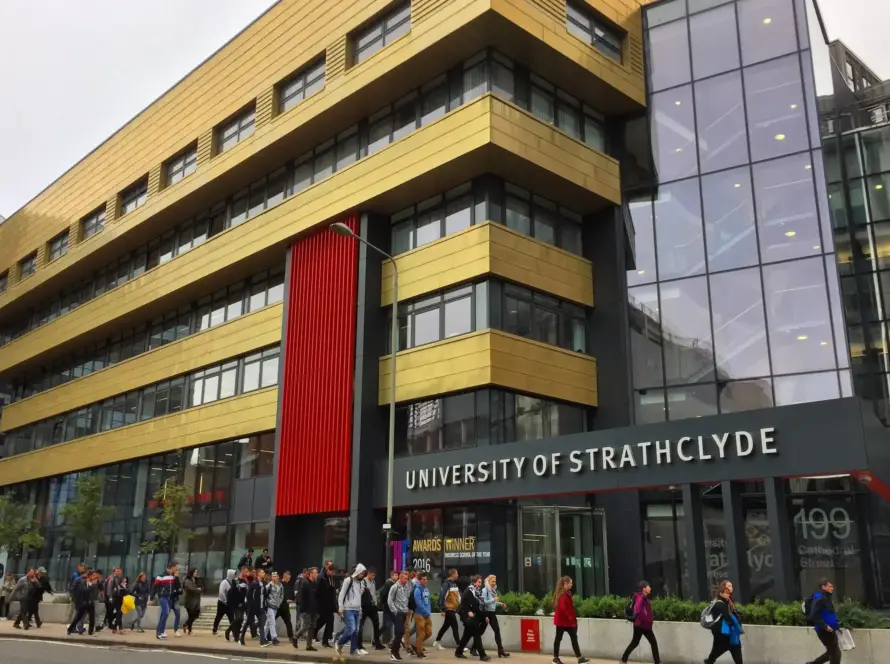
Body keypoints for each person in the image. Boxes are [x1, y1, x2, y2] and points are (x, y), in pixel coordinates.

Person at [703, 580, 743, 664]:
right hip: (723, 635)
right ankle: (709, 661)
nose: (731, 588)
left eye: (731, 586)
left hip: (730, 635)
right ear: (723, 590)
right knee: (715, 654)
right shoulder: (719, 604)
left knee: (736, 657)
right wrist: (737, 619)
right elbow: (728, 618)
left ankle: (709, 661)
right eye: (729, 586)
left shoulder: (728, 602)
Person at [552, 576, 590, 664]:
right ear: (566, 583)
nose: (571, 584)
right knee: (562, 638)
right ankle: (556, 658)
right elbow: (562, 609)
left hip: (565, 621)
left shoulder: (565, 593)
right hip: (564, 621)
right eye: (570, 583)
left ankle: (579, 658)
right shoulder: (563, 594)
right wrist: (570, 618)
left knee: (568, 638)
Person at [621, 581, 660, 664]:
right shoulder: (640, 598)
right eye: (648, 587)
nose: (650, 588)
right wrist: (645, 618)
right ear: (644, 589)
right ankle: (657, 662)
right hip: (642, 625)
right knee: (652, 643)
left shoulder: (644, 597)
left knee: (635, 642)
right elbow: (637, 610)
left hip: (642, 625)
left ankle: (624, 659)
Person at [455, 575, 490, 662]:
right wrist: (468, 611)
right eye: (478, 582)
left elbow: (480, 606)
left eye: (481, 582)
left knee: (467, 635)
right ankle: (482, 655)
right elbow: (463, 603)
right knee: (476, 633)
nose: (480, 584)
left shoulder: (478, 592)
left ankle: (458, 652)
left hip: (472, 616)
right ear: (474, 582)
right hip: (466, 615)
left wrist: (485, 616)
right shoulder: (469, 591)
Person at [807, 579, 841, 664]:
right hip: (824, 630)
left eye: (832, 586)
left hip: (830, 629)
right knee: (835, 653)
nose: (832, 588)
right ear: (823, 586)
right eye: (830, 586)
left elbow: (827, 613)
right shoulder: (820, 598)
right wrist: (825, 626)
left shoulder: (826, 597)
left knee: (832, 652)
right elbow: (814, 615)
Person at [337, 563, 367, 656]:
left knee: (356, 631)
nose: (362, 576)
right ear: (357, 572)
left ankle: (353, 651)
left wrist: (360, 609)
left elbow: (359, 597)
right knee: (351, 629)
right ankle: (339, 642)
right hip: (348, 609)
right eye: (361, 573)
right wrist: (340, 607)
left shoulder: (360, 582)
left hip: (357, 609)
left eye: (363, 574)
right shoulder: (348, 580)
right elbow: (341, 594)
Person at [480, 574, 509, 658]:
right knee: (481, 631)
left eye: (495, 581)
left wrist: (500, 604)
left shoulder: (492, 590)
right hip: (486, 613)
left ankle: (501, 650)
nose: (494, 583)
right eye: (492, 581)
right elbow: (484, 602)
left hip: (491, 613)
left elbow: (493, 603)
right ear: (488, 581)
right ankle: (474, 648)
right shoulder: (485, 590)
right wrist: (494, 599)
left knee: (497, 630)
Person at [433, 569, 461, 650]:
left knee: (445, 626)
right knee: (455, 626)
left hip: (453, 608)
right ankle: (459, 645)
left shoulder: (454, 584)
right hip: (449, 608)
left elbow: (458, 596)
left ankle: (437, 642)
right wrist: (442, 609)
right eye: (457, 573)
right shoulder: (446, 584)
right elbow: (442, 596)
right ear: (452, 574)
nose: (458, 575)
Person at [359, 567, 385, 652]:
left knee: (376, 624)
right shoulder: (363, 581)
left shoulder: (373, 581)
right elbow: (360, 594)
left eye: (375, 575)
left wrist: (376, 603)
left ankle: (377, 643)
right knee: (360, 625)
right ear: (369, 573)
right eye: (372, 575)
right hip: (364, 606)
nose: (374, 577)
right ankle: (359, 644)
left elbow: (374, 594)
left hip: (372, 606)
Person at [241, 568, 269, 647]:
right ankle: (241, 638)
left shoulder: (263, 583)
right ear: (258, 574)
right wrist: (252, 605)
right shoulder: (254, 583)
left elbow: (264, 595)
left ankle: (262, 641)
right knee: (247, 623)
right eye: (262, 572)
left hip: (261, 607)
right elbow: (249, 596)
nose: (264, 573)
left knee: (262, 622)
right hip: (253, 608)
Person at [388, 571, 412, 662]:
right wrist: (395, 611)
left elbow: (406, 598)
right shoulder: (395, 587)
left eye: (407, 578)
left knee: (401, 633)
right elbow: (390, 600)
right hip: (398, 613)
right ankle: (394, 653)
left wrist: (407, 609)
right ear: (400, 578)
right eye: (404, 578)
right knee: (399, 632)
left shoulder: (406, 587)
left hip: (404, 612)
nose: (406, 580)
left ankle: (395, 652)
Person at [67, 570, 99, 636]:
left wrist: (94, 586)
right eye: (93, 575)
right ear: (89, 576)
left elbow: (95, 593)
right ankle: (70, 629)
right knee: (78, 617)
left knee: (92, 618)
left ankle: (90, 631)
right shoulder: (82, 582)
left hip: (90, 603)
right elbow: (83, 590)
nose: (94, 577)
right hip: (83, 603)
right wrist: (91, 585)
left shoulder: (94, 583)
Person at [295, 566, 319, 651]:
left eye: (317, 573)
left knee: (312, 627)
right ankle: (296, 637)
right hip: (306, 609)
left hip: (314, 609)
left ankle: (309, 645)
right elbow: (301, 596)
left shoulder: (315, 583)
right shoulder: (305, 583)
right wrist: (302, 608)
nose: (317, 574)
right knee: (306, 626)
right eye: (315, 573)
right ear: (311, 574)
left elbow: (316, 597)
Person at [151, 562, 178, 640]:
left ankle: (160, 632)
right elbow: (155, 587)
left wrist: (176, 578)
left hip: (170, 598)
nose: (176, 569)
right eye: (175, 567)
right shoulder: (161, 576)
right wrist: (151, 597)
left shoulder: (173, 577)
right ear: (171, 567)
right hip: (163, 597)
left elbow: (177, 585)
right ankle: (159, 632)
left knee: (164, 615)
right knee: (165, 613)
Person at [316, 560, 337, 648]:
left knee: (329, 622)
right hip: (323, 604)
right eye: (331, 572)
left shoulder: (331, 578)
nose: (332, 574)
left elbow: (332, 591)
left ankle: (325, 641)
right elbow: (318, 592)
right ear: (328, 569)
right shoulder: (321, 577)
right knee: (321, 621)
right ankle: (313, 631)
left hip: (329, 605)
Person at [412, 571, 433, 657]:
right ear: (420, 580)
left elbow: (428, 602)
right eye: (424, 579)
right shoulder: (417, 589)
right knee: (421, 634)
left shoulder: (426, 589)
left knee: (429, 632)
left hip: (426, 614)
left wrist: (428, 612)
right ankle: (419, 652)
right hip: (419, 614)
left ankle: (417, 646)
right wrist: (425, 611)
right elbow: (418, 603)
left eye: (426, 579)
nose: (425, 581)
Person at [225, 569, 248, 642]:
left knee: (241, 620)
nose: (246, 573)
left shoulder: (245, 581)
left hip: (242, 603)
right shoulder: (235, 580)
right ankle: (229, 630)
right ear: (242, 572)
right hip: (235, 603)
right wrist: (239, 586)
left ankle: (236, 635)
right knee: (238, 618)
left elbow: (244, 593)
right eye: (245, 572)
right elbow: (234, 591)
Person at [213, 569, 236, 637]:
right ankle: (214, 630)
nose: (235, 576)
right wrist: (225, 601)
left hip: (228, 603)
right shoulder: (224, 582)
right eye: (234, 574)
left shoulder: (232, 582)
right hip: (222, 603)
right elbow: (221, 593)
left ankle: (234, 632)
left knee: (231, 618)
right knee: (219, 617)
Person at [379, 570, 399, 646]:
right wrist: (385, 604)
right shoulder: (388, 584)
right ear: (391, 576)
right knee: (387, 625)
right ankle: (376, 637)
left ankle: (393, 642)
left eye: (397, 575)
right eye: (395, 575)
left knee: (397, 625)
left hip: (393, 608)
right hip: (387, 608)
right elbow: (384, 595)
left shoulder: (395, 584)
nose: (396, 577)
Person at [264, 570, 284, 646]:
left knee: (268, 622)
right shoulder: (269, 585)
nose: (274, 577)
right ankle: (274, 638)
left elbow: (282, 595)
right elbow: (265, 595)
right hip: (270, 605)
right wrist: (267, 602)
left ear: (278, 577)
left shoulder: (280, 585)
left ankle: (264, 636)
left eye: (275, 576)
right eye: (273, 576)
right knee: (272, 621)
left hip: (276, 606)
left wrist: (279, 602)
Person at [277, 570, 296, 644]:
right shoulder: (279, 584)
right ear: (284, 577)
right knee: (271, 621)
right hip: (278, 607)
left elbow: (291, 595)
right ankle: (267, 635)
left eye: (289, 578)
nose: (288, 580)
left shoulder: (289, 586)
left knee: (288, 622)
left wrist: (291, 600)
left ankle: (291, 637)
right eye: (287, 578)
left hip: (285, 607)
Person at [183, 567, 202, 635]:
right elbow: (191, 589)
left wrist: (198, 579)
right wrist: (198, 590)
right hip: (190, 601)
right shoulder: (188, 581)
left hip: (196, 601)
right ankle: (189, 630)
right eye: (195, 572)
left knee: (195, 615)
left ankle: (186, 625)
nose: (196, 573)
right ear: (191, 573)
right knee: (191, 616)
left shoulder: (195, 580)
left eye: (196, 572)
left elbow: (201, 586)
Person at [104, 568, 123, 633]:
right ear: (114, 572)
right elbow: (109, 589)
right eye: (117, 571)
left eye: (119, 571)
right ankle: (119, 628)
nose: (118, 572)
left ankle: (115, 627)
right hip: (114, 598)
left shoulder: (121, 579)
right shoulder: (112, 579)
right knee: (119, 612)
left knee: (119, 613)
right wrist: (110, 597)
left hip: (120, 597)